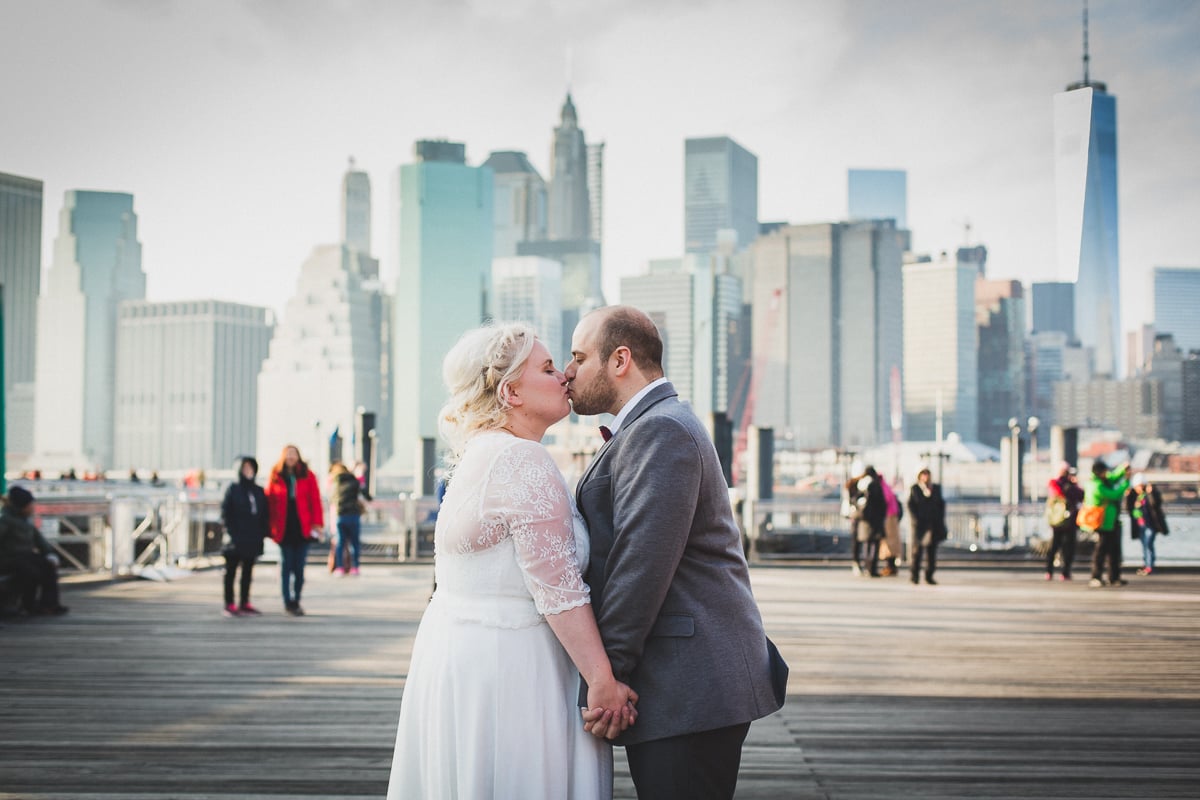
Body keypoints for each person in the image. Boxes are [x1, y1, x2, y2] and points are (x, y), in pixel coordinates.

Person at [388, 322, 637, 799]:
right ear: (511, 392)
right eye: (547, 368)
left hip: (461, 661)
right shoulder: (523, 461)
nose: (564, 375)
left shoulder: (478, 455)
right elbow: (557, 591)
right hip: (515, 672)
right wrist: (602, 681)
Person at [565, 305, 787, 800]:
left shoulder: (660, 430)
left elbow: (640, 565)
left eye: (579, 357)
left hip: (689, 685)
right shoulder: (652, 424)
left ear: (620, 360)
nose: (568, 371)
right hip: (684, 680)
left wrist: (606, 679)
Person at [265, 445, 324, 616]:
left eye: (294, 454)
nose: (291, 457)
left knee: (299, 568)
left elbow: (315, 500)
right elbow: (269, 501)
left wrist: (317, 524)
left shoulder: (308, 475)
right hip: (283, 528)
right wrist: (268, 527)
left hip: (302, 528)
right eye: (288, 454)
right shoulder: (276, 475)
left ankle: (297, 598)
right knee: (285, 566)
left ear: (298, 457)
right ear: (283, 457)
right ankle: (287, 601)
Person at [0, 486, 68, 615]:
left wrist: (49, 554)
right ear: (22, 506)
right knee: (30, 571)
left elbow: (39, 540)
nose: (33, 507)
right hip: (9, 560)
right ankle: (29, 604)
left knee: (48, 567)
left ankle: (49, 604)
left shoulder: (24, 521)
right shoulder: (5, 521)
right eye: (30, 505)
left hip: (24, 558)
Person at [219, 456, 270, 617]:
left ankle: (245, 602)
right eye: (245, 468)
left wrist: (262, 532)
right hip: (235, 538)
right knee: (231, 572)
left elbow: (264, 514)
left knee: (248, 572)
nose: (248, 471)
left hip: (252, 537)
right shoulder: (232, 489)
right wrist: (232, 532)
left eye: (251, 468)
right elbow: (225, 513)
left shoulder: (258, 490)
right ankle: (229, 603)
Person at [1079, 459, 1130, 588]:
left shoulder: (1100, 481)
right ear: (1100, 473)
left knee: (1114, 551)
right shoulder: (1096, 486)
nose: (1107, 473)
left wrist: (1122, 469)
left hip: (1111, 521)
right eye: (1105, 471)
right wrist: (1126, 483)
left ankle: (1114, 577)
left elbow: (1112, 477)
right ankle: (1096, 577)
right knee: (1101, 551)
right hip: (1103, 523)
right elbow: (1114, 495)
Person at [1044, 462, 1084, 581]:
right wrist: (1072, 485)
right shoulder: (1057, 483)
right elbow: (1064, 494)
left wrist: (1074, 484)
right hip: (1061, 520)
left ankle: (1061, 571)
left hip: (1066, 521)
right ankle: (1055, 571)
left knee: (1062, 547)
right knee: (1060, 546)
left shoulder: (1063, 484)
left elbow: (1081, 495)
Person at [906, 468, 947, 585]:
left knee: (931, 552)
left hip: (932, 525)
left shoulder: (936, 488)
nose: (926, 478)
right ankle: (914, 575)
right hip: (919, 526)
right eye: (923, 475)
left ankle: (929, 575)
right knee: (917, 551)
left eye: (927, 475)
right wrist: (915, 520)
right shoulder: (915, 489)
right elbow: (911, 505)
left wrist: (939, 520)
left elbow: (941, 505)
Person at [328, 461, 368, 576]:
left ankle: (339, 568)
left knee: (340, 542)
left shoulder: (335, 483)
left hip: (340, 516)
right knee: (354, 543)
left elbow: (331, 499)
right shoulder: (355, 481)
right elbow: (366, 495)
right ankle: (355, 568)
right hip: (353, 516)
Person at [1126, 473, 1168, 576]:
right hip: (1140, 525)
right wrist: (1127, 495)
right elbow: (1129, 509)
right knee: (1145, 545)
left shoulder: (1150, 494)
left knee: (1148, 544)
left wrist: (1151, 493)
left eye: (1141, 486)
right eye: (1137, 486)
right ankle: (1147, 565)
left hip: (1151, 524)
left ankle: (1149, 566)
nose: (1139, 488)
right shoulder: (1134, 496)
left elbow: (1156, 504)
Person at [855, 467, 888, 579]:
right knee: (874, 544)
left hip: (864, 519)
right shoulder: (875, 485)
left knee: (866, 544)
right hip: (875, 520)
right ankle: (872, 568)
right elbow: (882, 503)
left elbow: (854, 499)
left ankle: (867, 567)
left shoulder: (861, 484)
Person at [877, 474, 903, 576]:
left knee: (888, 543)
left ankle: (890, 567)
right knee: (891, 543)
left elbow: (885, 501)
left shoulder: (883, 488)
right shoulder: (886, 487)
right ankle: (891, 566)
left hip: (889, 517)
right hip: (892, 516)